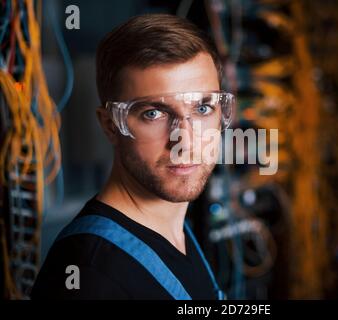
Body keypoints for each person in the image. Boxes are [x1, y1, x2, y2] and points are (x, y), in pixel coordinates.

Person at [31, 13, 234, 300]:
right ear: (110, 125)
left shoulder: (176, 229)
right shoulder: (91, 276)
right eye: (153, 113)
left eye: (202, 109)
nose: (185, 142)